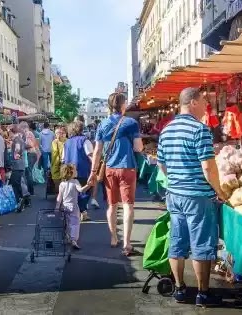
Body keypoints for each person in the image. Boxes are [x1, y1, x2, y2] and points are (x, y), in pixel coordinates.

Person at [156, 87, 227, 307]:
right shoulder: (200, 129)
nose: (206, 106)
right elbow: (208, 167)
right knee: (202, 245)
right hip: (198, 196)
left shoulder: (166, 131)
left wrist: (175, 180)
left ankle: (179, 289)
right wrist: (219, 191)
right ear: (193, 102)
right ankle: (203, 293)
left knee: (177, 241)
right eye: (204, 101)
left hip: (174, 194)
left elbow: (161, 164)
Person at [89, 92, 143, 256]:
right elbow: (138, 148)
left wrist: (93, 172)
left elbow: (97, 151)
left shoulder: (103, 124)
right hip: (127, 167)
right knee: (128, 205)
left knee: (112, 205)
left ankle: (113, 238)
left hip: (110, 169)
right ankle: (127, 243)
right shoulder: (131, 123)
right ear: (123, 105)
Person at [63, 121, 94, 222]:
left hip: (69, 171)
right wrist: (95, 168)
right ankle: (83, 212)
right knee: (84, 191)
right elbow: (90, 155)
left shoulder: (67, 142)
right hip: (82, 170)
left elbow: (63, 158)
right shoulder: (85, 140)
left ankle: (75, 212)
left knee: (72, 192)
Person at [55, 164, 90, 250]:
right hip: (74, 206)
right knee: (75, 223)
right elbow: (81, 190)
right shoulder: (75, 182)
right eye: (75, 170)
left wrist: (56, 207)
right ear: (71, 173)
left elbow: (59, 197)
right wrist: (88, 185)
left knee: (66, 223)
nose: (76, 171)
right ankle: (73, 239)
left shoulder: (62, 184)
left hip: (65, 207)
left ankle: (67, 237)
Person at [8, 124, 27, 212]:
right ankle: (21, 200)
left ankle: (20, 200)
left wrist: (13, 159)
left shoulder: (17, 140)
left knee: (16, 184)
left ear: (12, 132)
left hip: (17, 165)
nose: (8, 135)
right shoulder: (18, 139)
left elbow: (17, 152)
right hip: (19, 165)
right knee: (16, 183)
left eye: (9, 133)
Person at [20, 121, 39, 200]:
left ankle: (31, 191)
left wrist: (21, 145)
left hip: (30, 154)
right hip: (32, 154)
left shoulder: (27, 133)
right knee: (28, 173)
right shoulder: (29, 133)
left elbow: (30, 145)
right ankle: (30, 191)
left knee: (28, 173)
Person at [51, 126, 67, 192]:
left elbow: (55, 153)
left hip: (63, 164)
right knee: (58, 181)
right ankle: (60, 195)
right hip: (58, 164)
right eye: (57, 133)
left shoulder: (67, 141)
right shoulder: (55, 142)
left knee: (62, 181)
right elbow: (54, 153)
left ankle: (61, 196)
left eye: (60, 133)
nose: (58, 134)